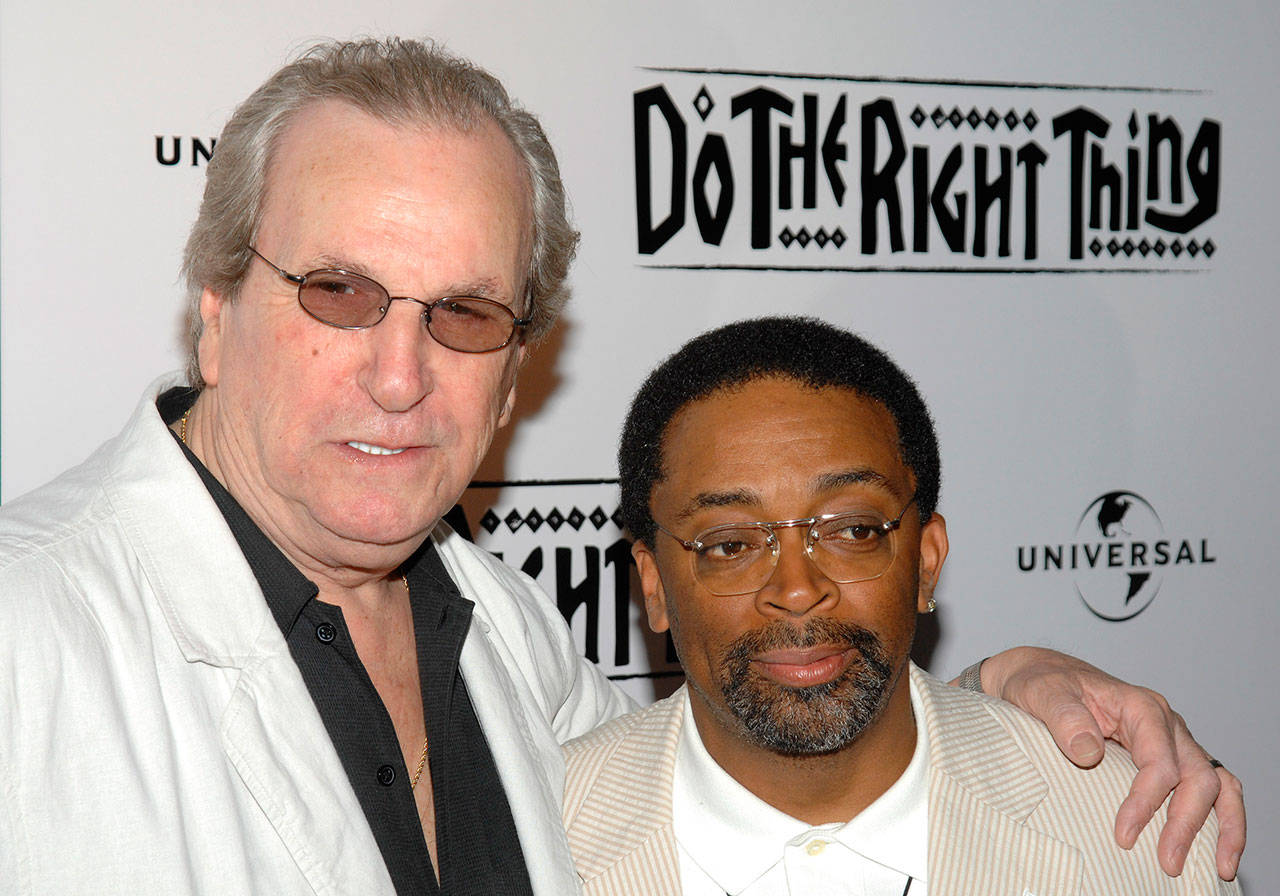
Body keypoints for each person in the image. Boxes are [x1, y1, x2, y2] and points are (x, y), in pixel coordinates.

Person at [0, 39, 1241, 896]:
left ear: (514, 371)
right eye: (340, 292)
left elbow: (748, 756)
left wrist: (997, 698)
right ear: (216, 305)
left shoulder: (505, 635)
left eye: (466, 312)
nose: (398, 372)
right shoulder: (28, 637)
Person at [562, 317, 1240, 895]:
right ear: (652, 584)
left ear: (926, 559)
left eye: (853, 530)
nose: (797, 589)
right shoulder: (534, 840)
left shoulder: (1142, 836)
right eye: (732, 543)